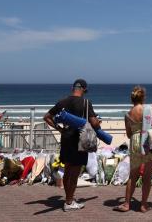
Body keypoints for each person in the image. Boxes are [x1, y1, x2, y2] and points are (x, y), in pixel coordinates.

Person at [44, 79, 100, 211]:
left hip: (66, 138)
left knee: (68, 170)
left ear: (73, 88)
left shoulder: (62, 101)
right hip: (79, 140)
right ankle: (69, 202)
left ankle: (69, 198)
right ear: (84, 89)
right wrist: (98, 122)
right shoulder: (86, 103)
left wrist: (59, 129)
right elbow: (94, 123)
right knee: (74, 172)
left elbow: (46, 117)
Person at [114, 86, 152, 213]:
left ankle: (126, 204)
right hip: (147, 142)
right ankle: (143, 205)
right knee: (147, 175)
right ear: (143, 97)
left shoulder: (128, 115)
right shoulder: (148, 110)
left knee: (133, 175)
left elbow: (128, 134)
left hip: (135, 141)